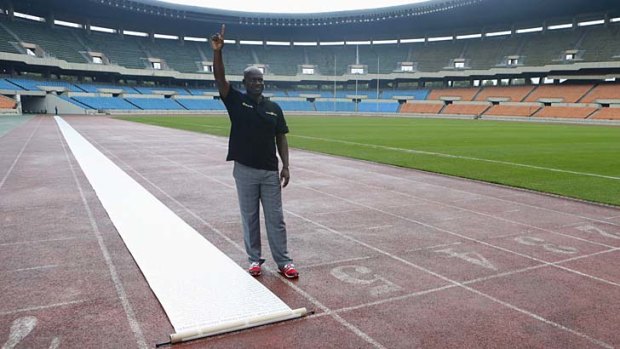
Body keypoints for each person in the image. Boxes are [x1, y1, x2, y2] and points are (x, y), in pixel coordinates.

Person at [211, 24, 298, 279]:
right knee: (249, 218)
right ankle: (254, 260)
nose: (257, 83)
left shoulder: (274, 108)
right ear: (244, 82)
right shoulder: (236, 100)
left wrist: (286, 165)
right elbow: (219, 79)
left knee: (276, 219)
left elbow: (281, 136)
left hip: (270, 172)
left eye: (260, 79)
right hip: (245, 170)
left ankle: (284, 262)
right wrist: (218, 52)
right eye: (253, 79)